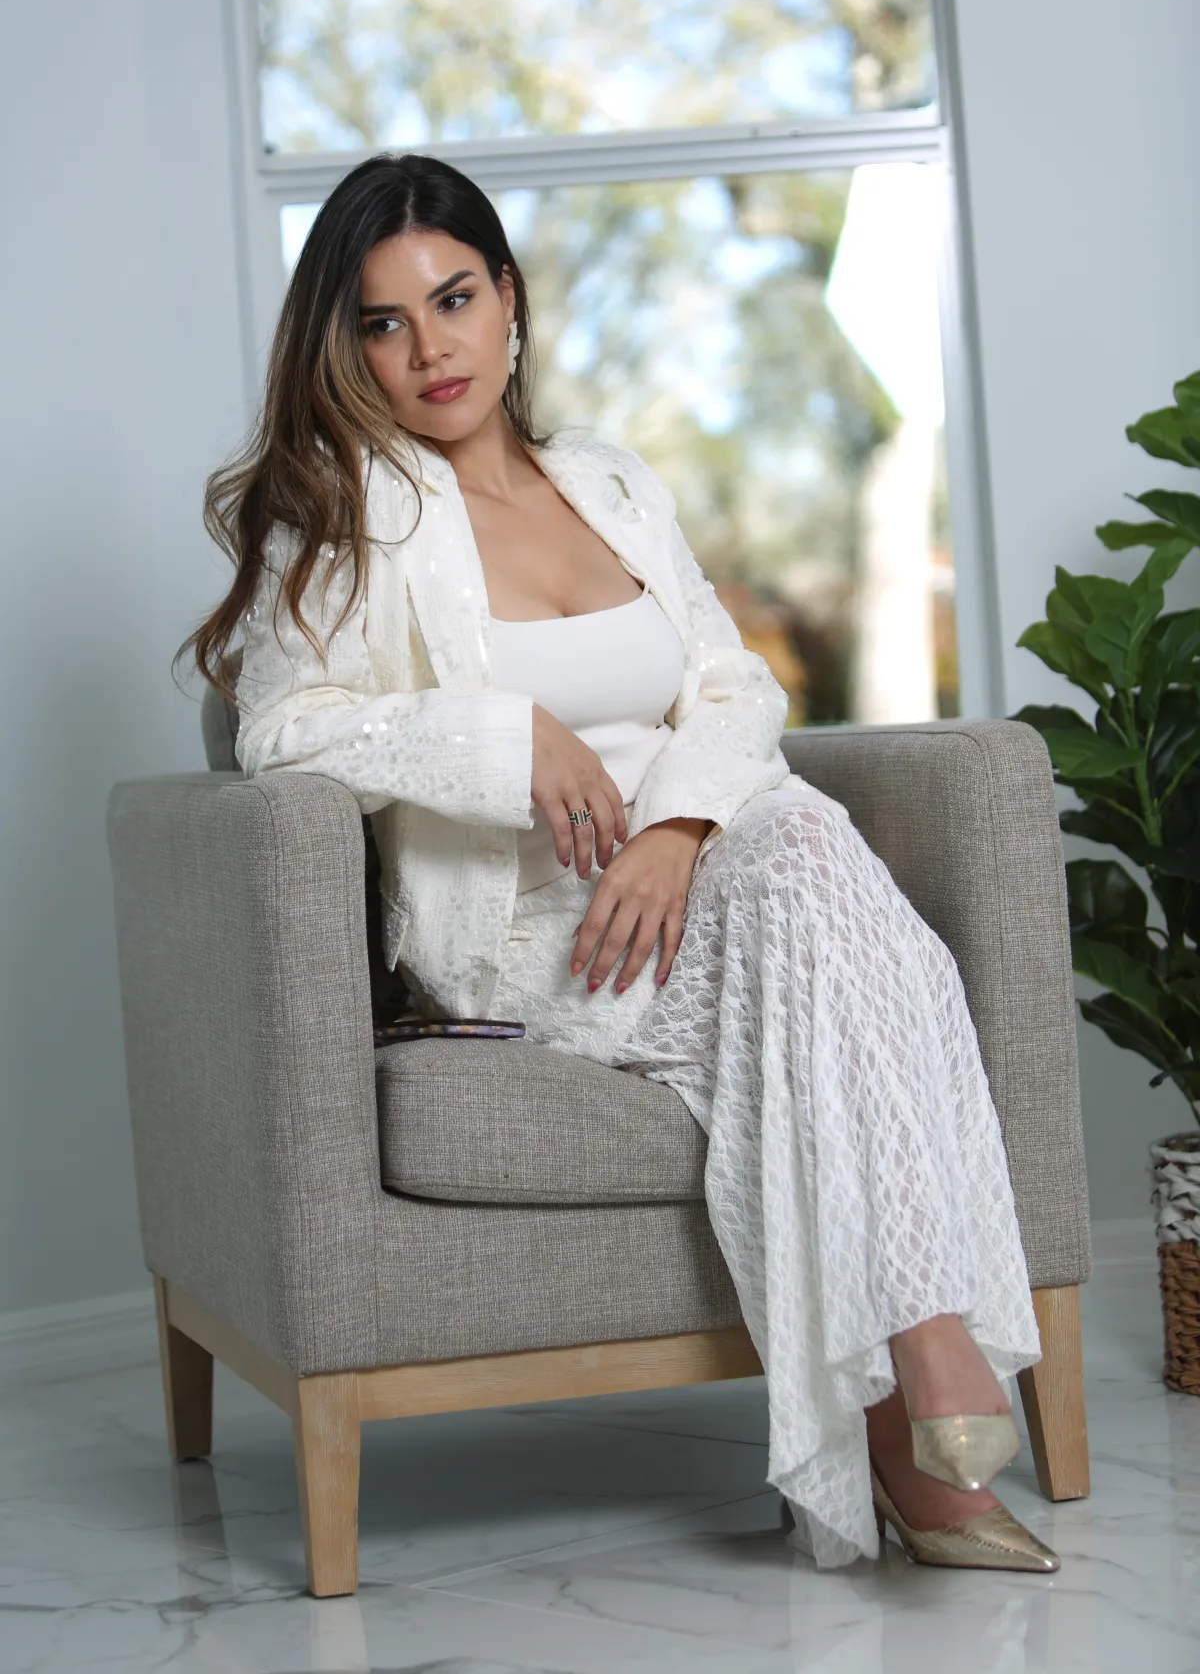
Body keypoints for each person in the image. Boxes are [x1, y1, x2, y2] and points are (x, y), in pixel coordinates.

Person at [182, 152, 1058, 1573]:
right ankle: (924, 1390)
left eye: (454, 300)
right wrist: (507, 734)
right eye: (384, 322)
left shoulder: (609, 483)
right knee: (842, 918)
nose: (430, 349)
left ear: (508, 297)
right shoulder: (343, 512)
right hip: (540, 920)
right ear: (347, 349)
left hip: (708, 860)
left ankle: (913, 1375)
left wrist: (676, 830)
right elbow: (281, 730)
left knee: (806, 853)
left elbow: (734, 686)